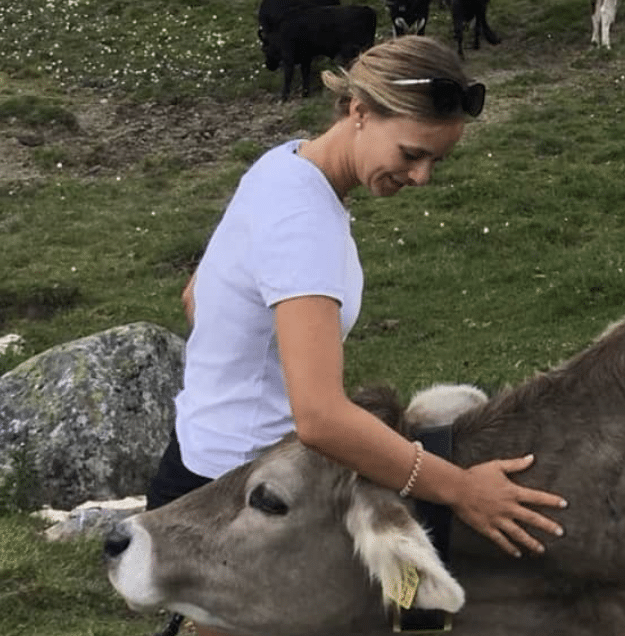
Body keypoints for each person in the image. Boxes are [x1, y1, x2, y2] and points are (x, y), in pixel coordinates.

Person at [147, 35, 567, 636]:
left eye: (436, 162)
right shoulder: (304, 222)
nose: (421, 177)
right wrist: (462, 490)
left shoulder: (284, 164)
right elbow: (318, 416)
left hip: (198, 465)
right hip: (250, 500)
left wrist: (254, 368)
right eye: (412, 153)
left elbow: (198, 294)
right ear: (360, 111)